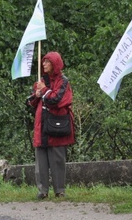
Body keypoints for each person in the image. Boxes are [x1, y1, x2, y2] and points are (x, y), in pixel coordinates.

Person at [25, 51, 75, 200]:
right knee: (41, 161)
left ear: (55, 64)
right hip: (42, 126)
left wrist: (45, 91)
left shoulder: (63, 82)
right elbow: (31, 102)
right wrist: (37, 95)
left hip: (57, 126)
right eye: (44, 61)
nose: (44, 64)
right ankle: (43, 191)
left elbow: (57, 100)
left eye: (47, 62)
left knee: (58, 159)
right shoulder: (42, 80)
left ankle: (59, 190)